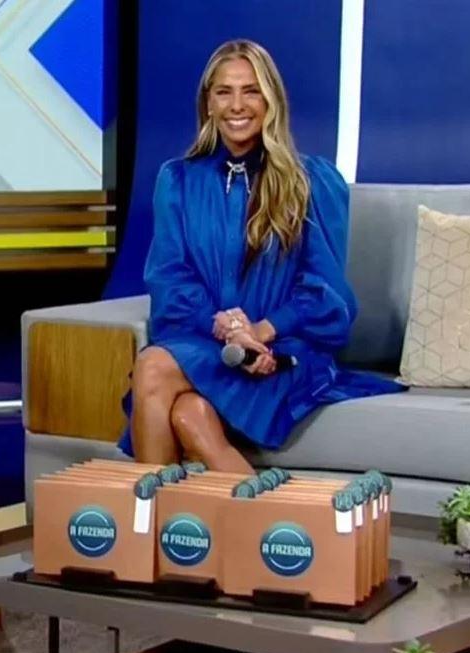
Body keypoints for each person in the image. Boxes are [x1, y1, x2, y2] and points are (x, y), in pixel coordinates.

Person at [125, 39, 404, 473]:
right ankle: (260, 510)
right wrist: (225, 328)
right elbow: (170, 278)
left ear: (271, 100)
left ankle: (147, 517)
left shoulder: (310, 181)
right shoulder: (178, 180)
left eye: (251, 91)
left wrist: (260, 330)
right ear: (208, 103)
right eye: (224, 92)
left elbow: (326, 293)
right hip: (209, 342)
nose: (237, 105)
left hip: (282, 351)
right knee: (188, 413)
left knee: (153, 369)